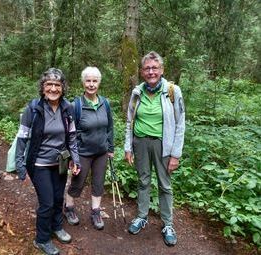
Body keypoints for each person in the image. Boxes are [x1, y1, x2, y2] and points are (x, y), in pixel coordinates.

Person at [15, 68, 80, 255]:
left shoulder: (67, 108)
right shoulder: (33, 108)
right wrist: (20, 166)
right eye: (49, 85)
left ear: (63, 88)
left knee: (59, 198)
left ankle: (57, 227)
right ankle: (41, 239)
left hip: (61, 160)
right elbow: (22, 137)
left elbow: (72, 137)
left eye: (57, 85)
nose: (53, 88)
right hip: (39, 163)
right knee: (47, 202)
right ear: (43, 88)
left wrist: (75, 159)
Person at [124, 51, 185, 246]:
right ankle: (142, 216)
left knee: (164, 184)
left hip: (163, 144)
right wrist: (128, 147)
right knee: (143, 181)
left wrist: (175, 154)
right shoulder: (137, 92)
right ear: (142, 72)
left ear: (162, 70)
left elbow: (180, 124)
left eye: (155, 68)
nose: (151, 72)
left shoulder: (173, 91)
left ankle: (167, 223)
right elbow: (129, 121)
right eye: (147, 68)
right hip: (140, 142)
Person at [64, 66, 114, 230]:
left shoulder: (105, 103)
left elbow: (110, 128)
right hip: (82, 153)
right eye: (88, 81)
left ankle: (95, 211)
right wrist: (72, 157)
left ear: (99, 83)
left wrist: (110, 148)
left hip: (101, 152)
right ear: (83, 82)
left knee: (98, 183)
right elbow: (69, 133)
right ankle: (69, 207)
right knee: (78, 182)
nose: (91, 84)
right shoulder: (75, 105)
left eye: (94, 81)